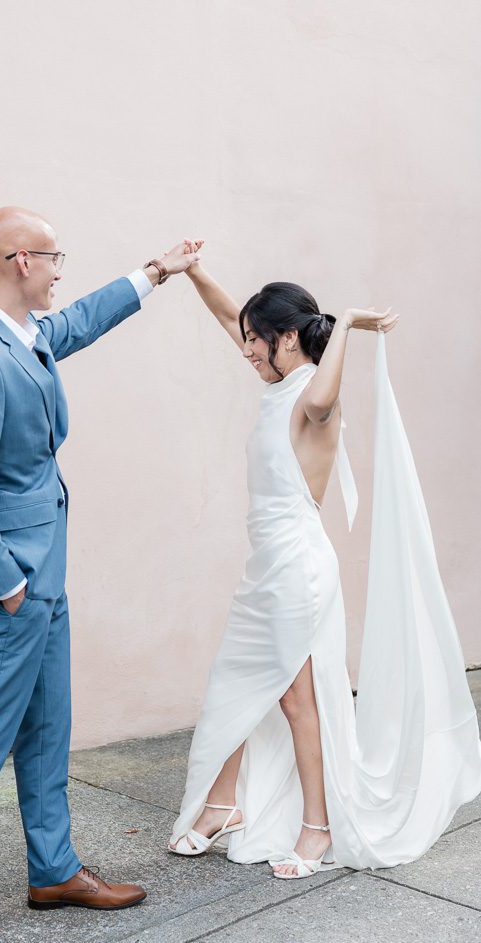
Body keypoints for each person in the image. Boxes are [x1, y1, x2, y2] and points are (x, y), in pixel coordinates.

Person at [0, 206, 200, 943]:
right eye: (52, 259)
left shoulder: (25, 335)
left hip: (46, 574)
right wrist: (8, 584)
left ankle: (52, 872)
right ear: (18, 260)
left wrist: (154, 272)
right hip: (12, 584)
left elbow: (76, 321)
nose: (57, 272)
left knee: (48, 729)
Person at [169, 249, 481, 879]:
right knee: (240, 680)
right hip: (269, 567)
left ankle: (318, 823)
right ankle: (225, 804)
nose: (247, 349)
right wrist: (192, 272)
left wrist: (345, 327)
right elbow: (233, 316)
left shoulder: (315, 397)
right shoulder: (278, 380)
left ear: (290, 338)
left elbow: (320, 398)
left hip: (298, 567)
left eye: (259, 340)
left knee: (293, 698)